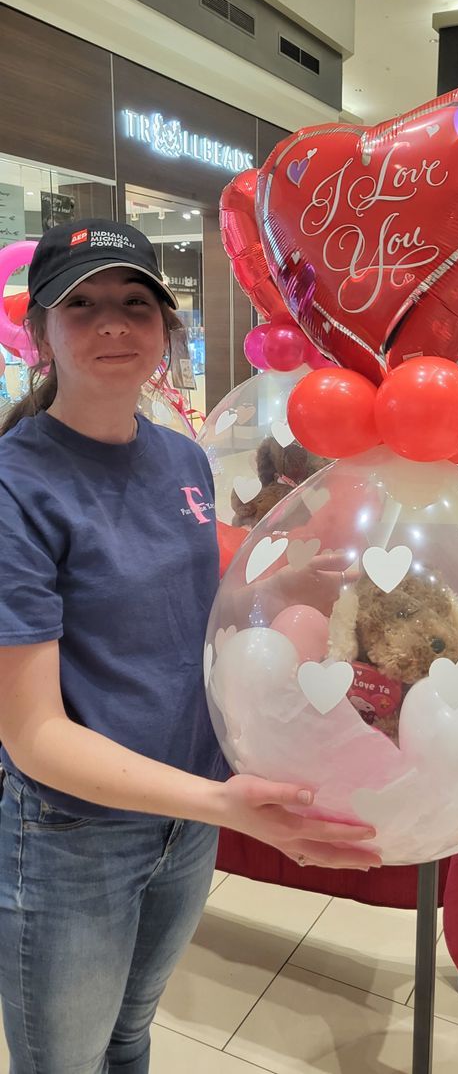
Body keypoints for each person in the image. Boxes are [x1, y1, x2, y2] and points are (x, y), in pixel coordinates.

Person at [0, 219, 380, 1074]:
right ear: (41, 333)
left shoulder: (181, 458)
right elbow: (33, 735)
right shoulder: (15, 487)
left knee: (130, 1038)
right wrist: (225, 806)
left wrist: (293, 581)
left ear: (166, 330)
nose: (112, 323)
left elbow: (185, 609)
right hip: (75, 836)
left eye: (136, 304)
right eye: (82, 304)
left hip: (187, 821)